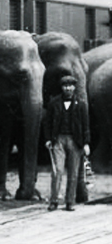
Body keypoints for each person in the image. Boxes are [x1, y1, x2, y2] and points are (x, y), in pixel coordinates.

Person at [43, 75, 91, 212]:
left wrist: (86, 143)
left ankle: (70, 201)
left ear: (74, 87)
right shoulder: (54, 103)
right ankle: (54, 201)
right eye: (65, 86)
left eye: (70, 86)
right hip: (58, 139)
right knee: (57, 171)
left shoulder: (81, 104)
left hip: (75, 141)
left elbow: (86, 125)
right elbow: (47, 123)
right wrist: (48, 139)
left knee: (73, 172)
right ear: (62, 87)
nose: (68, 88)